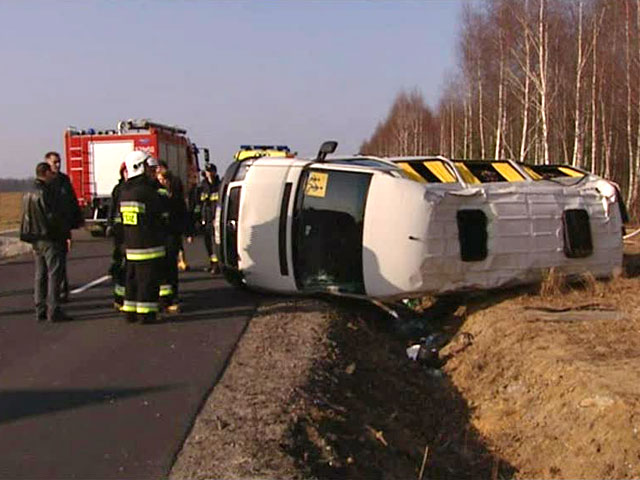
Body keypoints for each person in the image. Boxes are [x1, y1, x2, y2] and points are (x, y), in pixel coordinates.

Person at [117, 151, 167, 324]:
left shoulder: (125, 191)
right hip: (149, 246)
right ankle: (147, 314)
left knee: (132, 281)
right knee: (148, 282)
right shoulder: (147, 192)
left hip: (131, 246)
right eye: (147, 167)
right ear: (139, 167)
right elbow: (159, 216)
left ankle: (130, 312)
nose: (150, 171)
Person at [20, 162, 72, 323]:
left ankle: (40, 307)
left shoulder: (28, 192)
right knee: (54, 274)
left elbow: (26, 216)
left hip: (35, 237)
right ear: (46, 173)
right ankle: (54, 309)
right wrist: (64, 234)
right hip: (49, 237)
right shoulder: (46, 192)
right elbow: (52, 216)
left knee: (40, 274)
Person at [44, 151, 82, 303]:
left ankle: (62, 291)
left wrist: (76, 221)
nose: (58, 165)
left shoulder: (64, 180)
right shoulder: (45, 183)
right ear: (47, 163)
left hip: (63, 227)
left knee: (61, 262)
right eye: (54, 162)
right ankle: (49, 295)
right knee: (48, 266)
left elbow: (71, 201)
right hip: (48, 230)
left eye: (59, 161)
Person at [157, 169, 188, 313]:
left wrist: (187, 231)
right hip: (161, 235)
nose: (162, 182)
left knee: (171, 267)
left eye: (164, 179)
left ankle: (173, 296)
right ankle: (164, 298)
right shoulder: (157, 196)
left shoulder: (175, 197)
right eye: (160, 179)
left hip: (172, 235)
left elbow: (183, 214)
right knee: (163, 268)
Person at [157, 159, 191, 271]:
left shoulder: (175, 183)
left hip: (174, 220)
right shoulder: (156, 188)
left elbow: (180, 204)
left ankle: (181, 260)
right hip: (164, 224)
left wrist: (187, 229)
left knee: (176, 243)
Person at [108, 162, 128, 309]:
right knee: (120, 264)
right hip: (120, 233)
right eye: (124, 172)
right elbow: (112, 207)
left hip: (131, 232)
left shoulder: (133, 188)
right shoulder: (118, 189)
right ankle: (118, 298)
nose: (127, 174)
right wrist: (110, 225)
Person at [199, 163, 220, 274]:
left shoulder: (219, 185)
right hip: (206, 218)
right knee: (208, 243)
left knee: (214, 241)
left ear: (215, 172)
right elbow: (198, 203)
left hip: (215, 217)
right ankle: (211, 263)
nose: (209, 174)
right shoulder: (202, 186)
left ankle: (216, 265)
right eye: (207, 171)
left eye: (211, 171)